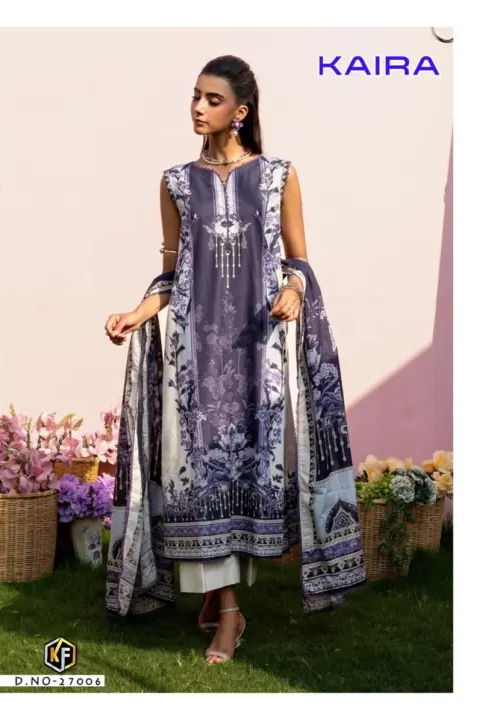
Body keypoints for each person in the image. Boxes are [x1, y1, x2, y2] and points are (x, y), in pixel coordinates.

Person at [104, 55, 367, 665]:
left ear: (240, 111)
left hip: (258, 353)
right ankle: (228, 612)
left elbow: (298, 261)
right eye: (195, 96)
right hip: (194, 359)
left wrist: (294, 291)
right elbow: (173, 273)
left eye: (212, 99)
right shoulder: (175, 182)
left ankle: (216, 596)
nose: (198, 108)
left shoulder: (278, 177)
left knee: (245, 477)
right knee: (198, 476)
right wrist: (137, 312)